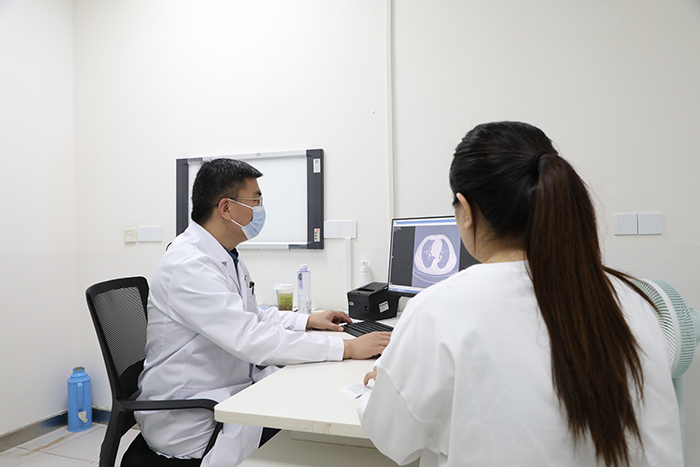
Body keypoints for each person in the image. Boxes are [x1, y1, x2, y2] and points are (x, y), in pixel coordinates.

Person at [358, 121, 683, 467]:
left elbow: (392, 438)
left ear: (466, 210)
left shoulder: (439, 308)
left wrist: (382, 385)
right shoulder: (631, 300)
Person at [136, 158, 390, 467]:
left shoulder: (223, 255)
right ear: (226, 208)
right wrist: (347, 348)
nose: (260, 210)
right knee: (315, 425)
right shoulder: (189, 265)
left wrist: (308, 320)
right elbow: (250, 337)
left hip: (226, 388)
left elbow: (253, 315)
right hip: (190, 415)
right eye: (255, 201)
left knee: (312, 401)